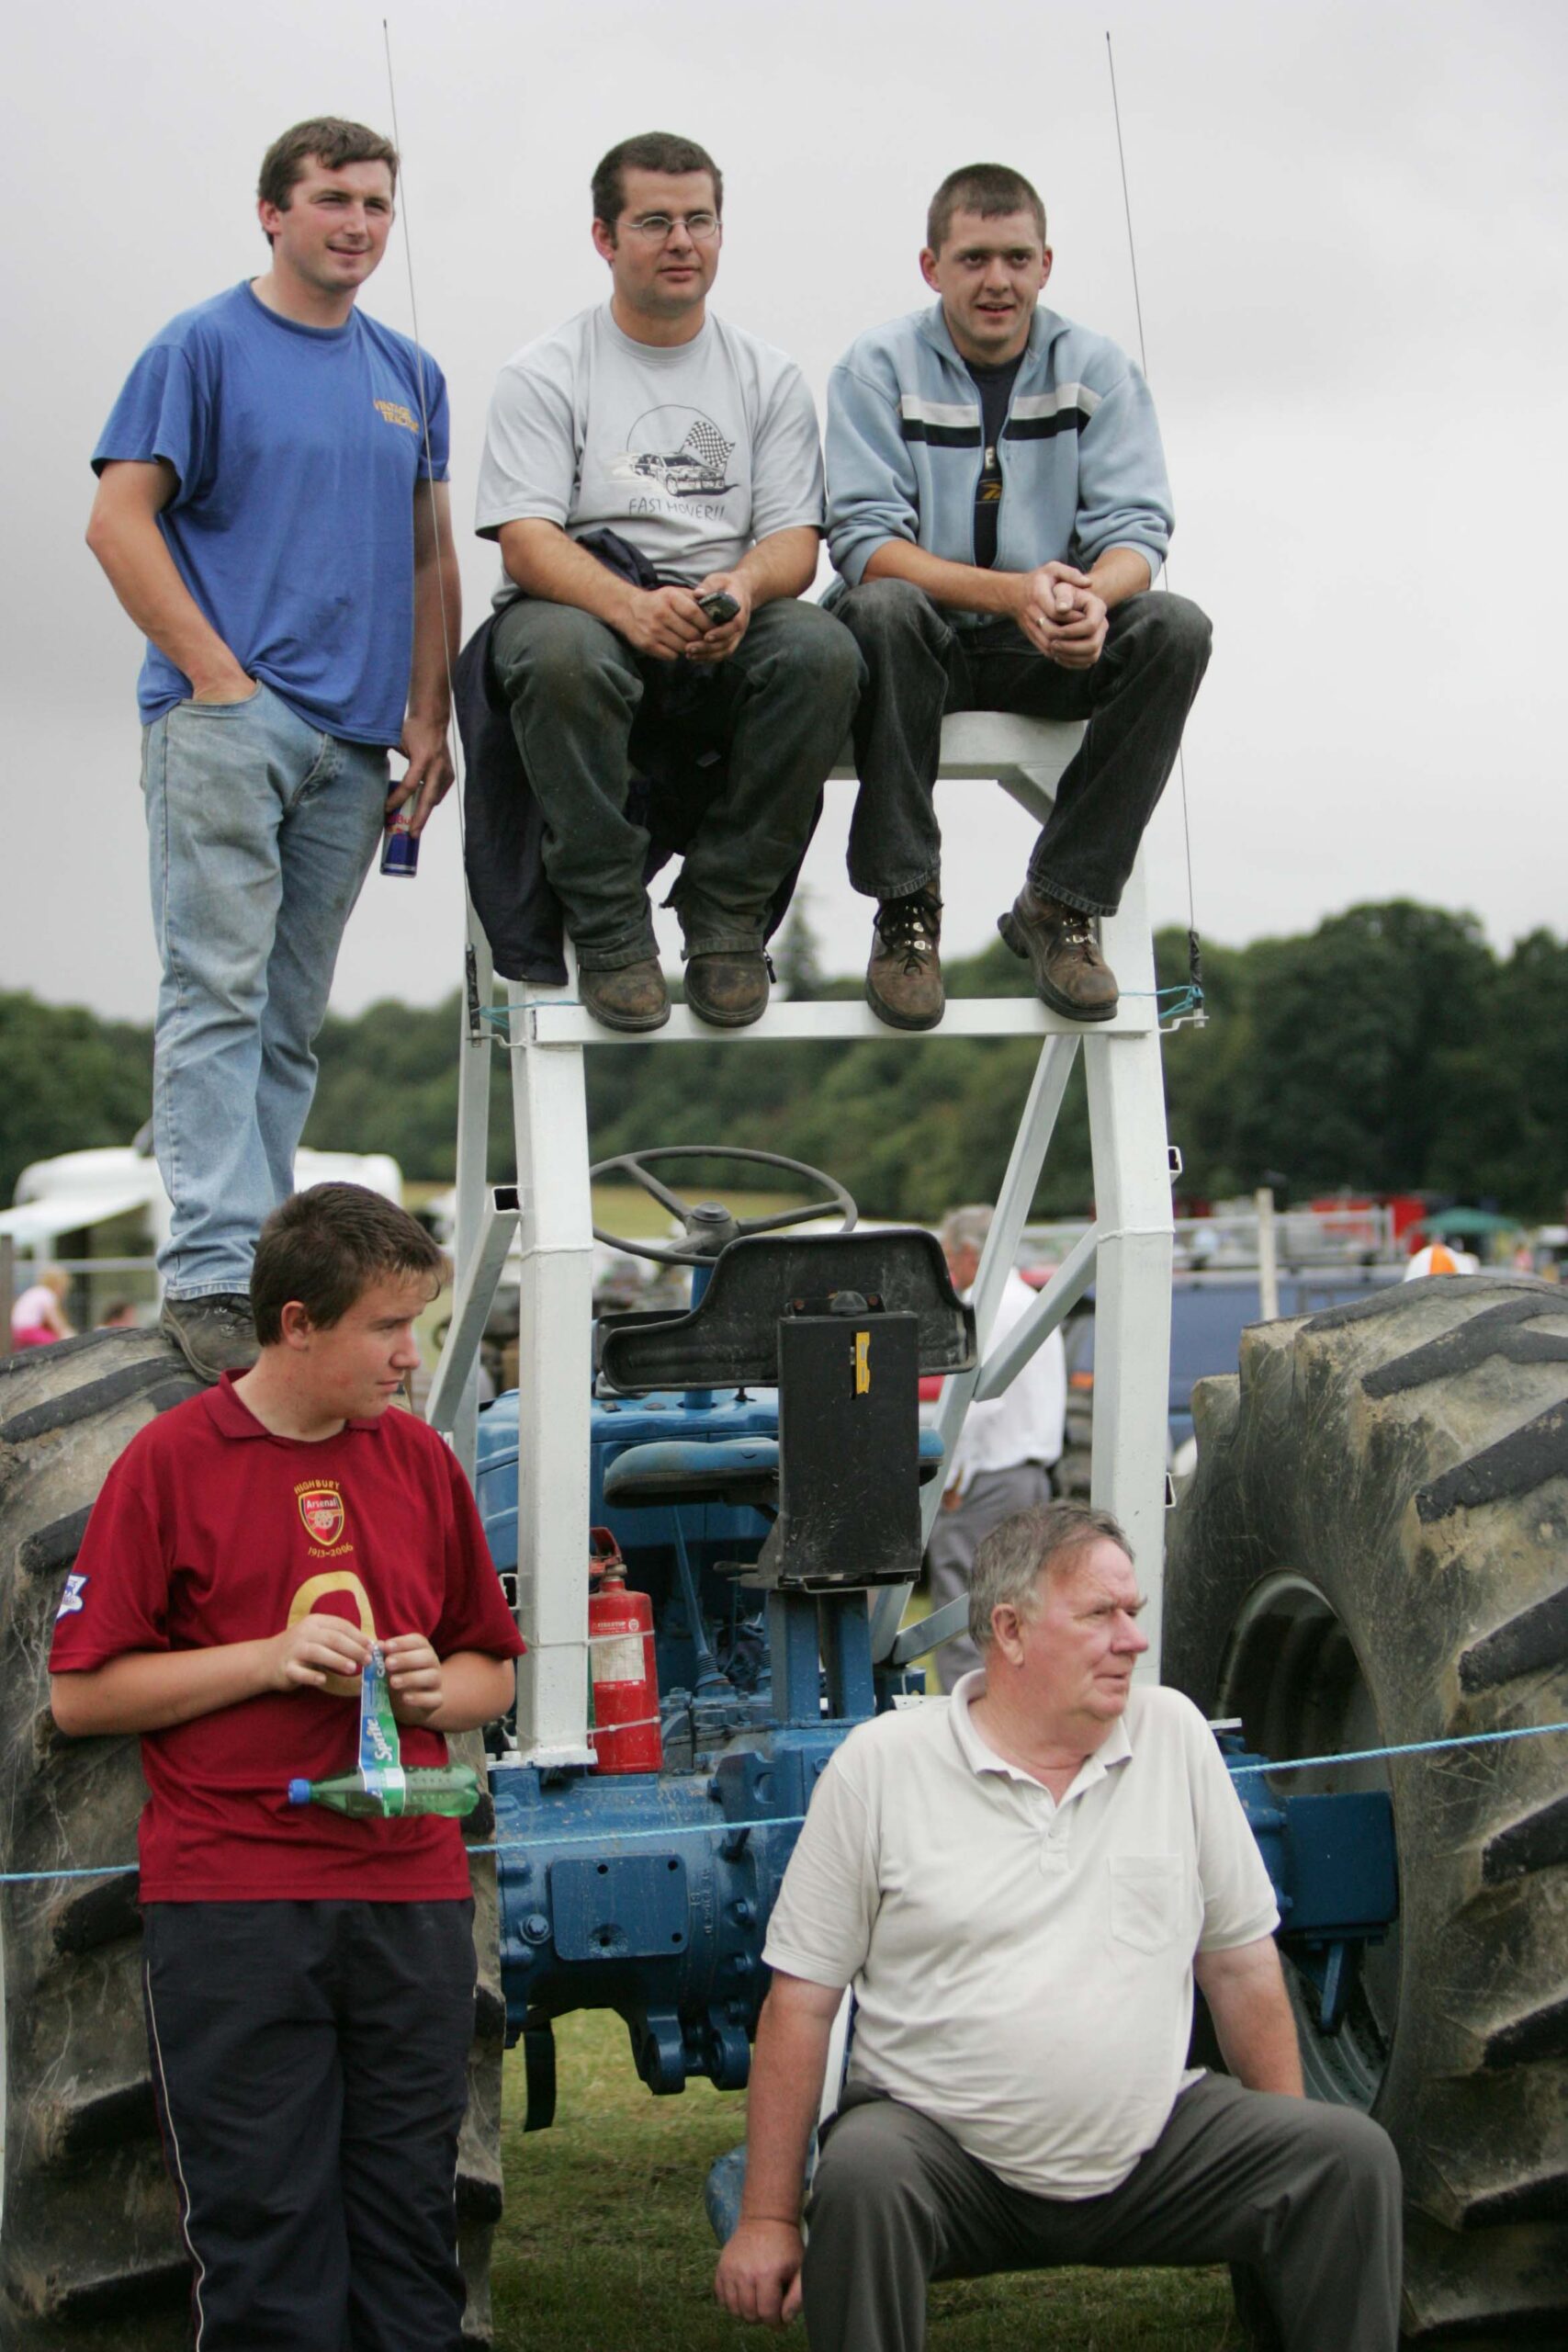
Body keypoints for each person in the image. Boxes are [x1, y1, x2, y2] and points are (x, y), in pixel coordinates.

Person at [715, 1503, 1403, 2352]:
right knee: (861, 2177)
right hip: (942, 2159)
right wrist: (769, 2217)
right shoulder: (882, 1766)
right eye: (1100, 1616)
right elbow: (802, 2001)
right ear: (1008, 1630)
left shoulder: (1175, 1736)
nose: (1132, 1640)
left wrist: (1281, 2154)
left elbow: (1239, 1968)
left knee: (1344, 2159)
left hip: (1155, 2151)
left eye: (1133, 1615)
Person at [50, 1182, 523, 2351]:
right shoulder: (170, 1462)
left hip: (411, 1902)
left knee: (415, 2241)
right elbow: (81, 1694)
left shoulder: (419, 1461)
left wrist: (433, 1686)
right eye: (386, 1327)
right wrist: (263, 1658)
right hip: (236, 1905)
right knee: (267, 2247)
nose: (410, 1357)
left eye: (416, 1325)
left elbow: (489, 1675)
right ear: (297, 1323)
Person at [86, 117, 460, 1383]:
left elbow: (426, 555)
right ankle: (206, 1269)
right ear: (272, 212)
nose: (357, 225)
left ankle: (266, 1272)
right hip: (229, 724)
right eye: (333, 200)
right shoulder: (197, 346)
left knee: (289, 1021)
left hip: (359, 746)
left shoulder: (409, 370)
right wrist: (215, 677)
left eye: (376, 205)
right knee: (215, 994)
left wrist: (426, 712)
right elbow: (115, 521)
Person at [473, 130, 862, 1034]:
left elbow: (796, 540)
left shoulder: (768, 376)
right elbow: (527, 542)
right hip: (587, 606)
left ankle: (725, 914)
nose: (681, 240)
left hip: (724, 613)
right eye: (654, 222)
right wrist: (630, 607)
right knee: (557, 651)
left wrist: (743, 591)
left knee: (824, 649)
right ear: (605, 239)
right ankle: (610, 925)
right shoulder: (545, 371)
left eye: (700, 220)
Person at [825, 163, 1213, 1031]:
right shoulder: (872, 365)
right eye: (971, 260)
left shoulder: (1098, 368)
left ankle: (1061, 903)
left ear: (1045, 264)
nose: (995, 280)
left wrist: (1085, 602)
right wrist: (1015, 595)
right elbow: (862, 545)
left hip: (1045, 639)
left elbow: (1137, 531)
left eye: (1014, 257)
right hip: (916, 645)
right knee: (879, 610)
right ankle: (905, 911)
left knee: (1175, 629)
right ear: (931, 267)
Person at [927, 1204, 1065, 1690]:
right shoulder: (1026, 1298)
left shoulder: (988, 1307)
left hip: (991, 1473)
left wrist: (954, 1477)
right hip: (1029, 1471)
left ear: (969, 1254)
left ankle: (972, 1705)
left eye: (947, 1255)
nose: (946, 1268)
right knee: (1020, 1594)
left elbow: (977, 1402)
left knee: (962, 1592)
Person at [9, 1264, 75, 1349]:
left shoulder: (36, 1291)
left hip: (16, 1332)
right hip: (28, 1331)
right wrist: (68, 1334)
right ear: (58, 1285)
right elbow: (55, 1321)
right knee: (59, 1344)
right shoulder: (47, 1294)